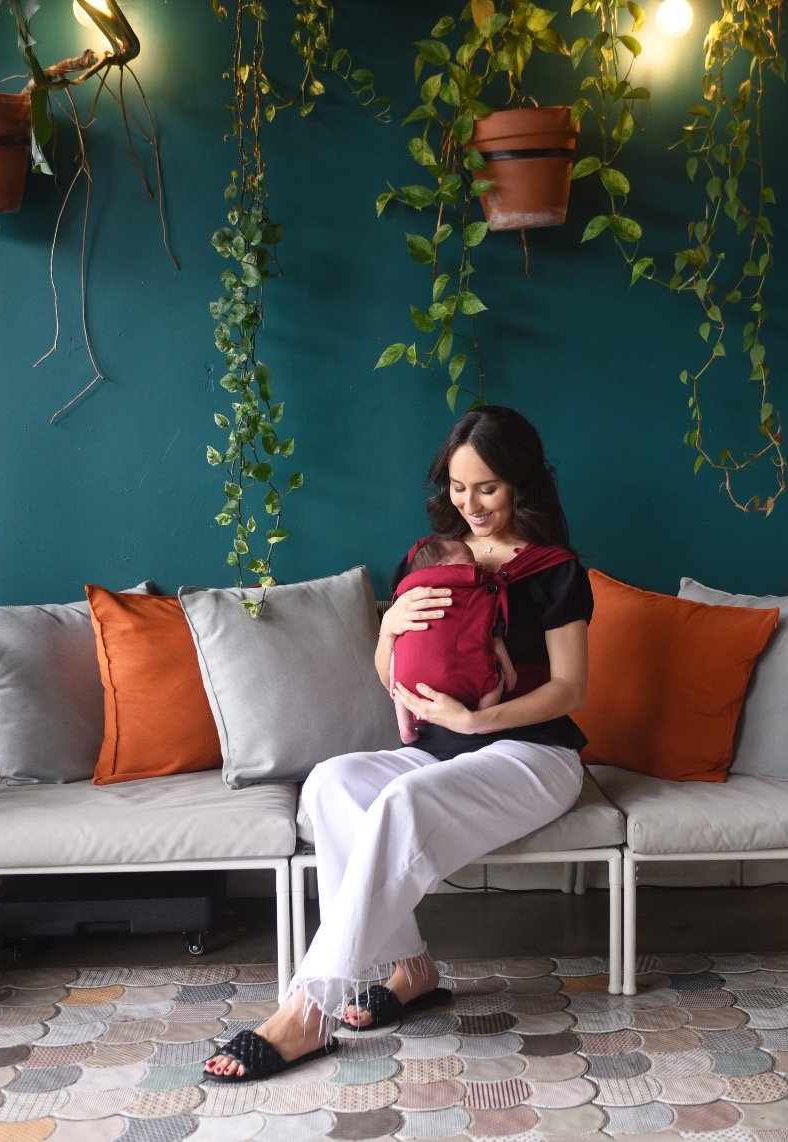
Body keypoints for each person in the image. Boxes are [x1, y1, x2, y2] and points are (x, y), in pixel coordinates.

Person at [204, 405, 593, 1082]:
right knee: (330, 784)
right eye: (458, 487)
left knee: (403, 801)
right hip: (437, 750)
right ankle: (411, 969)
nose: (470, 504)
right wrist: (387, 632)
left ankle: (308, 1009)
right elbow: (394, 674)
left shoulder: (556, 569)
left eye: (488, 488)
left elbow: (570, 689)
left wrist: (478, 722)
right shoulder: (427, 559)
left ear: (521, 484)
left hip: (533, 755)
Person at [388, 535, 517, 744]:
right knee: (497, 677)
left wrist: (393, 670)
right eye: (469, 559)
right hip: (462, 678)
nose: (478, 563)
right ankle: (484, 717)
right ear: (442, 567)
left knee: (399, 681)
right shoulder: (478, 590)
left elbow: (395, 643)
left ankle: (405, 727)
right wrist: (509, 671)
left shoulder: (406, 592)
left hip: (408, 680)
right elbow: (492, 636)